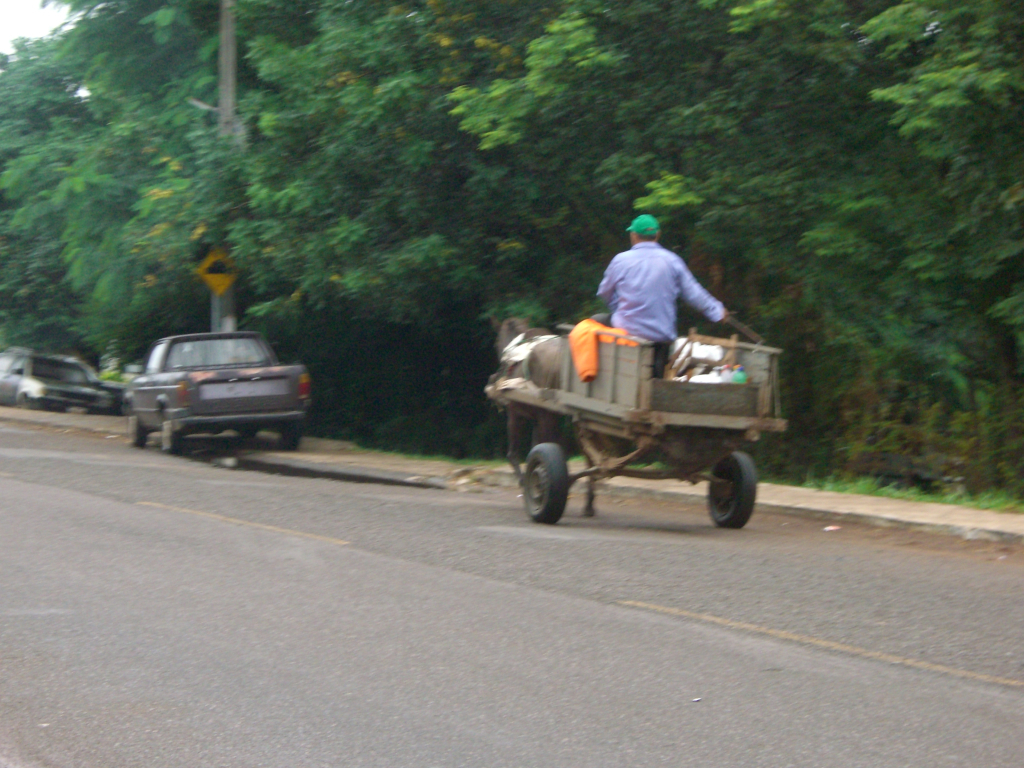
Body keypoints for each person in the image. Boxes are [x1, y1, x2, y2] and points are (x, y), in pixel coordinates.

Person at [596, 214, 727, 376]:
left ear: (633, 236)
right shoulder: (672, 261)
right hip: (661, 339)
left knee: (597, 320)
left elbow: (604, 292)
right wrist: (717, 311)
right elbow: (694, 293)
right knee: (655, 380)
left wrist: (618, 309)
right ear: (657, 235)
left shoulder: (620, 261)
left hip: (627, 336)